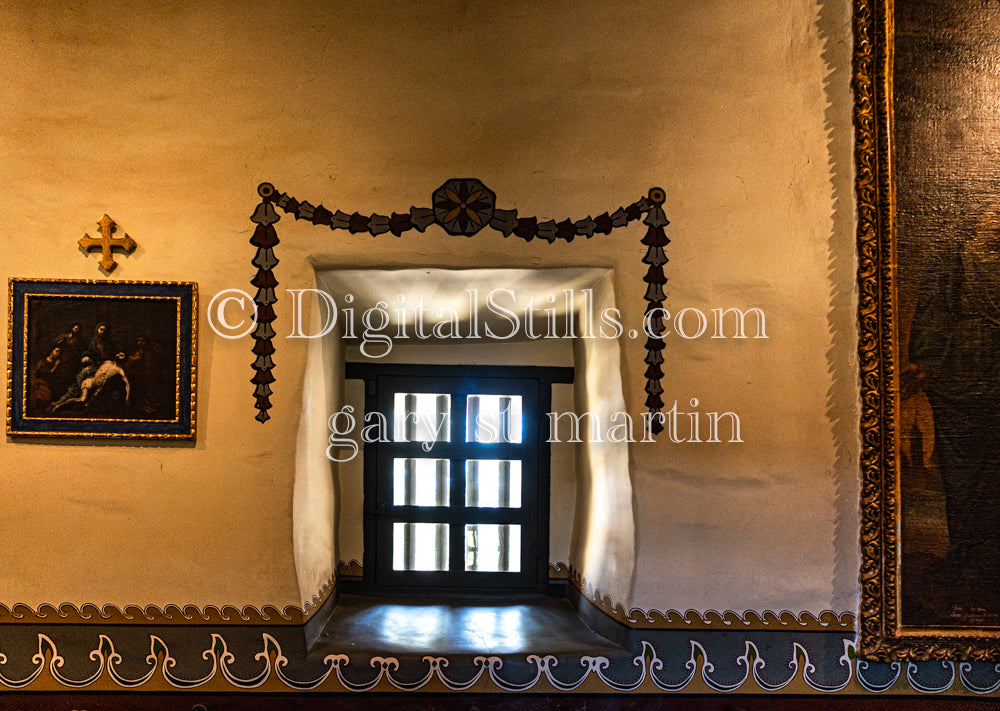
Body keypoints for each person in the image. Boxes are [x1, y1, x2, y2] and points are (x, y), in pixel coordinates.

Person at [908, 206, 1000, 588]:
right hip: (961, 377)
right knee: (961, 476)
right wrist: (927, 367)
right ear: (975, 218)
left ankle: (988, 565)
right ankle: (962, 558)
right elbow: (930, 321)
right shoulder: (949, 263)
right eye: (992, 211)